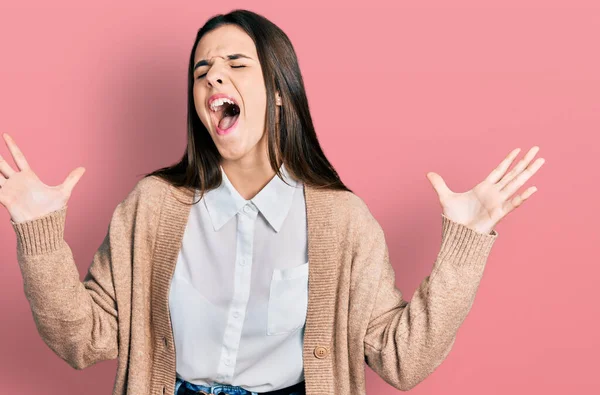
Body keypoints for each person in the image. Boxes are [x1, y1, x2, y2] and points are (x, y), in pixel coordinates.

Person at [1, 9, 545, 395]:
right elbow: (82, 340)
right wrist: (38, 235)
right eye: (201, 71)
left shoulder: (343, 221)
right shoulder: (151, 208)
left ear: (280, 91)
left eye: (236, 63)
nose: (214, 74)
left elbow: (403, 363)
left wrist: (464, 244)